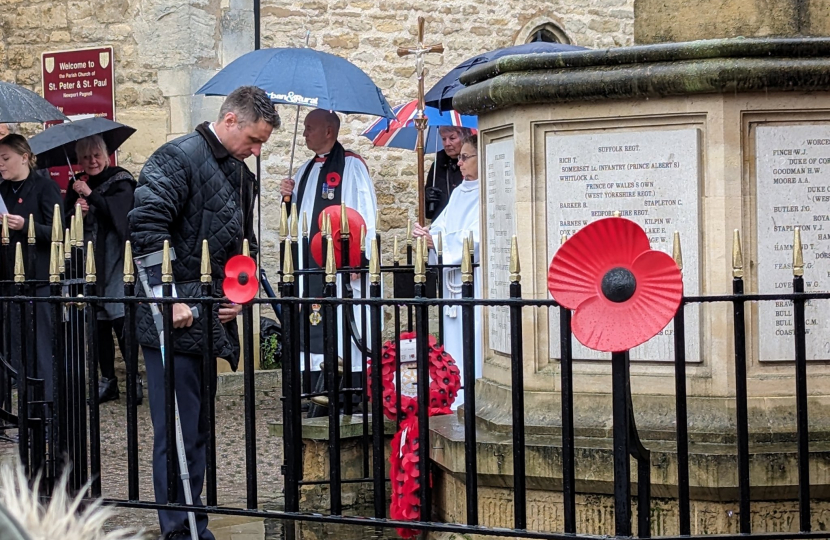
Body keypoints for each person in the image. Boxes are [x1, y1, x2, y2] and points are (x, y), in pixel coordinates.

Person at [128, 86, 280, 540]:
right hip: (172, 320)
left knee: (195, 433)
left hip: (210, 318)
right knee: (175, 434)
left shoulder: (239, 173)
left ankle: (195, 523)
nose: (255, 152)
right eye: (253, 141)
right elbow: (146, 227)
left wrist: (238, 296)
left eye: (262, 146)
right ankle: (180, 531)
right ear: (230, 120)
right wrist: (167, 297)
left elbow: (237, 247)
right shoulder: (175, 158)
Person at [279, 109, 377, 410]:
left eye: (311, 128)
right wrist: (286, 197)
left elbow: (364, 213)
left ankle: (349, 392)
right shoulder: (304, 170)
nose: (305, 133)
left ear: (329, 132)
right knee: (312, 320)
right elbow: (296, 221)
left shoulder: (350, 166)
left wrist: (359, 258)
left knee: (344, 322)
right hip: (311, 263)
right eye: (305, 128)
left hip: (342, 265)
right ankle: (313, 391)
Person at [64, 134, 137, 404]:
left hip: (116, 259)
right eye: (85, 156)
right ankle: (108, 381)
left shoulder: (121, 180)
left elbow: (121, 217)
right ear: (79, 160)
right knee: (98, 323)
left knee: (120, 317)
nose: (91, 161)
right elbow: (65, 224)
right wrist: (77, 212)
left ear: (106, 155)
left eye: (96, 155)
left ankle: (134, 379)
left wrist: (91, 195)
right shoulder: (76, 185)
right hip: (88, 261)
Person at [413, 134, 481, 409]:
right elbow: (442, 226)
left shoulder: (489, 192)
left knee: (472, 340)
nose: (460, 163)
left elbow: (477, 237)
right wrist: (428, 234)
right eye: (460, 158)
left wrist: (439, 242)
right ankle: (455, 399)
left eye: (466, 157)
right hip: (454, 280)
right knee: (453, 342)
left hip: (473, 280)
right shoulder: (459, 192)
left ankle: (473, 398)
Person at [0, 134, 63, 402]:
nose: (1, 165)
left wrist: (24, 226)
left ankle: (47, 413)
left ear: (24, 157)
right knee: (10, 350)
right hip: (6, 278)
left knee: (40, 350)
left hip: (37, 279)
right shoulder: (2, 190)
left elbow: (57, 232)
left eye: (5, 159)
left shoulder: (44, 187)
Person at [424, 126, 473, 220]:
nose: (447, 144)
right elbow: (428, 213)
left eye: (452, 138)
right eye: (443, 139)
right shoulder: (438, 164)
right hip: (440, 225)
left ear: (465, 139)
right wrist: (428, 198)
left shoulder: (472, 164)